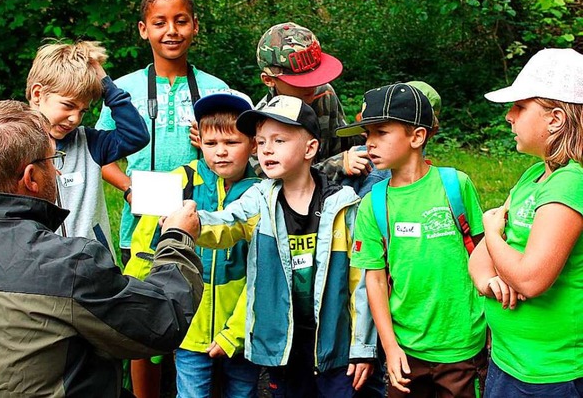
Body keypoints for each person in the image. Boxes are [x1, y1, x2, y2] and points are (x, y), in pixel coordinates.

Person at [0, 100, 203, 398]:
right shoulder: (69, 264)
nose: (55, 171)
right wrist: (178, 238)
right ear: (30, 177)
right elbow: (161, 322)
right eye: (53, 160)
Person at [192, 95, 377, 397]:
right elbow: (225, 223)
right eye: (261, 141)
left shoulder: (343, 206)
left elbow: (360, 283)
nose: (266, 149)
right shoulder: (259, 199)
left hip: (335, 346)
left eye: (279, 140)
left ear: (310, 148)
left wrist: (363, 348)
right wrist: (193, 223)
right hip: (283, 346)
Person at [339, 83, 487, 397]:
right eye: (367, 135)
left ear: (417, 137)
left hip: (462, 345)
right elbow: (375, 281)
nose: (370, 144)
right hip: (406, 351)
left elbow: (482, 251)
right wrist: (390, 348)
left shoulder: (455, 185)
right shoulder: (373, 203)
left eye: (381, 132)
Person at [125, 90, 261, 398]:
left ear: (253, 144)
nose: (221, 152)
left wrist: (237, 332)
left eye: (231, 142)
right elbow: (146, 248)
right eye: (211, 143)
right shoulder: (179, 179)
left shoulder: (263, 193)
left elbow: (264, 272)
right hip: (188, 328)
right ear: (198, 140)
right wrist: (147, 312)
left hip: (240, 333)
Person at [469, 48, 583, 397]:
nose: (509, 116)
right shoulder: (534, 176)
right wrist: (492, 283)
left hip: (550, 375)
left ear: (556, 118)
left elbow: (531, 279)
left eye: (520, 107)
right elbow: (477, 264)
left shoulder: (571, 183)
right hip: (508, 361)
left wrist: (492, 232)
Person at [95, 0, 229, 267]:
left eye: (181, 21)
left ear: (195, 26)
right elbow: (102, 158)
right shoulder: (122, 91)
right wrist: (130, 189)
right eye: (160, 23)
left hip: (202, 225)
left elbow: (237, 157)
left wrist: (209, 146)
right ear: (144, 30)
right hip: (139, 229)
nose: (171, 31)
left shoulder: (216, 90)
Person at [26, 39, 149, 263]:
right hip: (41, 266)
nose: (75, 118)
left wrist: (106, 84)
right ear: (37, 94)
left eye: (82, 110)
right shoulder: (14, 144)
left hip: (94, 266)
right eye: (68, 105)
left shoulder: (90, 142)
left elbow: (136, 135)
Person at [254, 22, 371, 182]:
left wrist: (370, 130)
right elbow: (276, 184)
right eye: (300, 81)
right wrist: (335, 165)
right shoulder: (259, 122)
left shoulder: (324, 93)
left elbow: (342, 146)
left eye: (315, 76)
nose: (312, 85)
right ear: (269, 80)